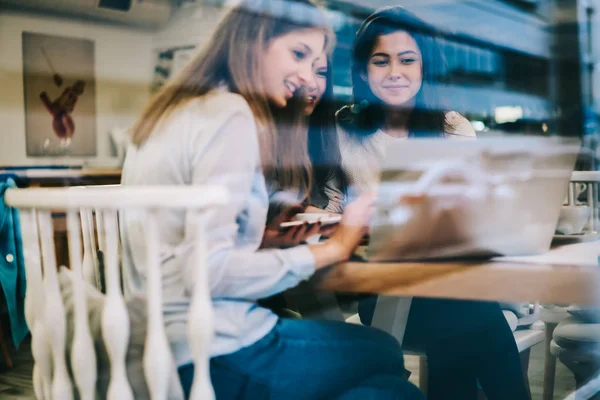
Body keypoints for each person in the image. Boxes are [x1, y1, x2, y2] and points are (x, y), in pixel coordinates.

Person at [119, 1, 424, 399]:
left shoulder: (179, 110)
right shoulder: (230, 114)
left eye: (316, 63)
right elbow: (206, 272)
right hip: (211, 346)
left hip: (155, 338)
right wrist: (332, 249)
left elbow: (184, 247)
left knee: (383, 383)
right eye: (298, 54)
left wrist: (264, 240)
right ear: (254, 42)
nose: (304, 77)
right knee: (384, 352)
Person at [322, 6, 530, 400]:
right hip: (384, 291)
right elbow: (334, 207)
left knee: (470, 321)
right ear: (364, 72)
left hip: (451, 283)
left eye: (407, 60)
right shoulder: (342, 132)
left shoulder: (453, 128)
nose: (394, 72)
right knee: (475, 327)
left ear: (424, 69)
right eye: (380, 61)